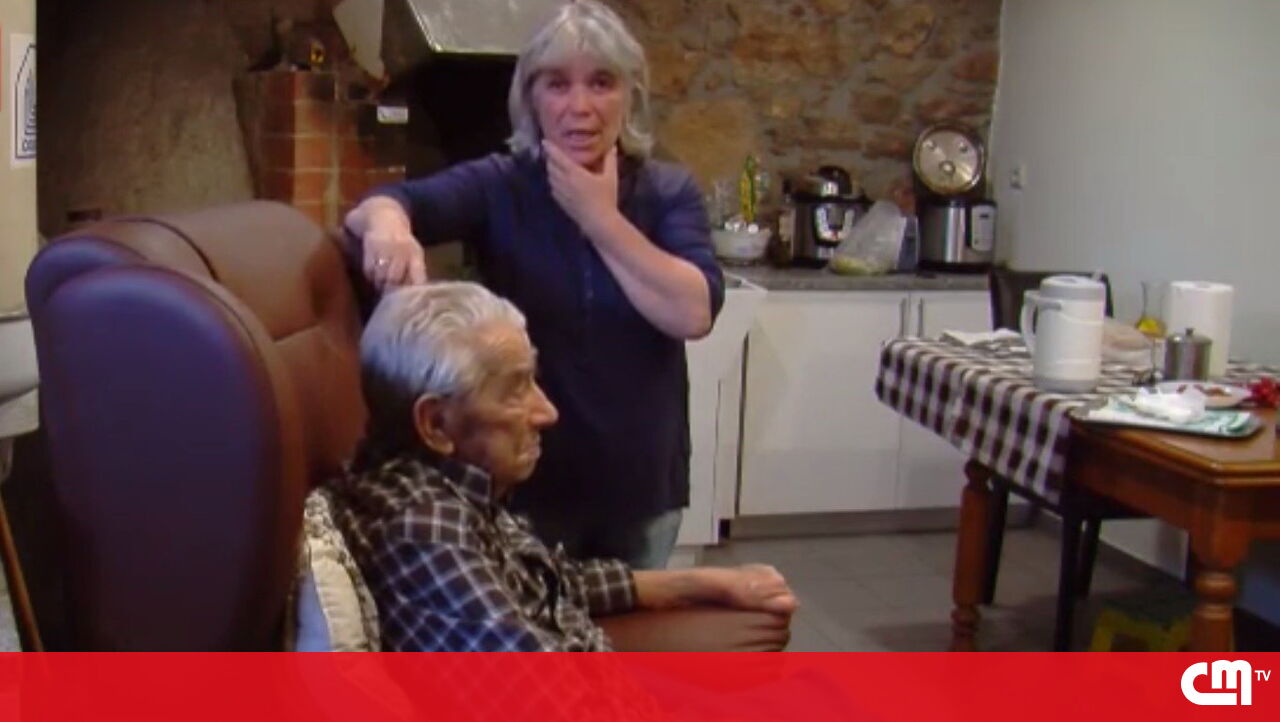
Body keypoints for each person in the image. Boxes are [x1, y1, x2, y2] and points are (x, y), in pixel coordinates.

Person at [342, 0, 720, 569]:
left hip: (640, 484)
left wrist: (599, 218)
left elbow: (692, 312)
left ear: (630, 97)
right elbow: (387, 203)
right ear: (531, 98)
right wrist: (388, 227)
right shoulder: (502, 183)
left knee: (634, 622)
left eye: (601, 83)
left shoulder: (667, 191)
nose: (579, 107)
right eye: (557, 84)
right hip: (528, 483)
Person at [329, 283, 794, 651]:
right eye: (515, 389)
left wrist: (701, 583)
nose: (547, 412)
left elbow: (547, 580)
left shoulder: (455, 486)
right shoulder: (425, 528)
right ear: (435, 424)